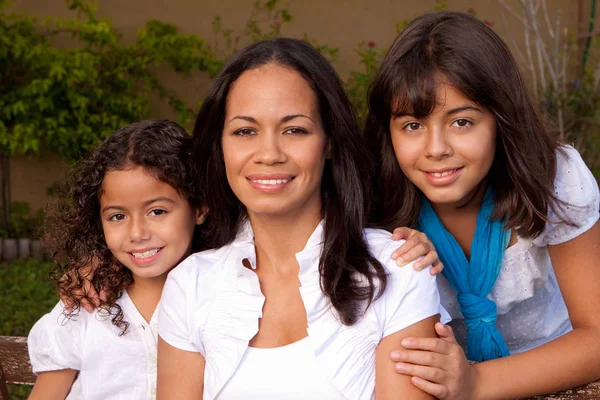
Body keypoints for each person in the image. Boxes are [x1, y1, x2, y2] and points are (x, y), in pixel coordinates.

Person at [157, 37, 449, 399]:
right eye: (245, 131)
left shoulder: (399, 267)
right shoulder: (189, 284)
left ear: (329, 143)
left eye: (294, 129)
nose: (269, 153)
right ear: (219, 146)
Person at [365, 11, 600, 400]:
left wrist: (476, 383)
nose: (436, 149)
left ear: (500, 120)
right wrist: (387, 253)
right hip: (437, 385)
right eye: (412, 125)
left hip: (559, 368)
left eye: (462, 122)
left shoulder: (552, 179)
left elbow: (595, 337)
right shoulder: (376, 199)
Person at [27, 120, 206, 399]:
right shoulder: (85, 307)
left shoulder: (219, 298)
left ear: (200, 207)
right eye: (118, 216)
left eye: (157, 211)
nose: (137, 233)